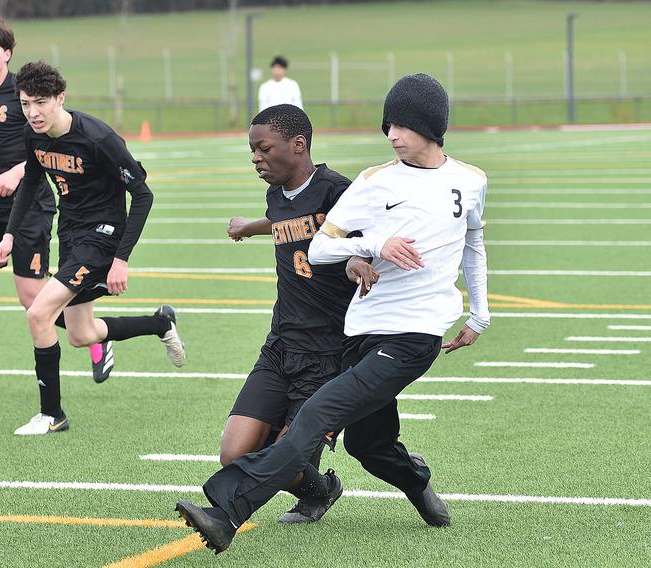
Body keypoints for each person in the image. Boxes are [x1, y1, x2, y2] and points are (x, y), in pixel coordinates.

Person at [175, 73, 491, 553]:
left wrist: (479, 314)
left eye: (403, 125)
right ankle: (416, 480)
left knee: (318, 413)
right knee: (371, 447)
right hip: (361, 331)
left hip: (415, 335)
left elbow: (474, 244)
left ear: (431, 126)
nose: (392, 135)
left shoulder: (470, 181)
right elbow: (322, 246)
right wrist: (373, 244)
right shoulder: (373, 181)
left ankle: (227, 513)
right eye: (388, 125)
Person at [0, 61, 187, 436]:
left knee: (38, 314)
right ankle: (160, 323)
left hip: (102, 236)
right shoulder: (32, 134)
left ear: (60, 98)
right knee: (81, 334)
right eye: (26, 103)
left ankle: (53, 415)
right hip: (71, 233)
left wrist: (121, 260)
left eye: (41, 102)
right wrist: (9, 235)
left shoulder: (97, 138)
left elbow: (143, 195)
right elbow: (31, 182)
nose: (33, 112)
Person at [0, 12, 114, 412]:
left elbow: (45, 148)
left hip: (28, 204)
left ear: (7, 53)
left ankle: (93, 335)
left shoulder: (25, 96)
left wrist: (17, 172)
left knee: (33, 300)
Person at [223, 103, 380, 524]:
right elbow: (282, 221)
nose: (256, 157)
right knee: (234, 453)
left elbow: (370, 242)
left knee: (281, 457)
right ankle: (322, 487)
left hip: (328, 351)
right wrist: (246, 227)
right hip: (280, 344)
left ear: (298, 144)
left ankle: (313, 486)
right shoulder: (275, 193)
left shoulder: (338, 192)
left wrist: (356, 261)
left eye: (263, 148)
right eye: (251, 150)